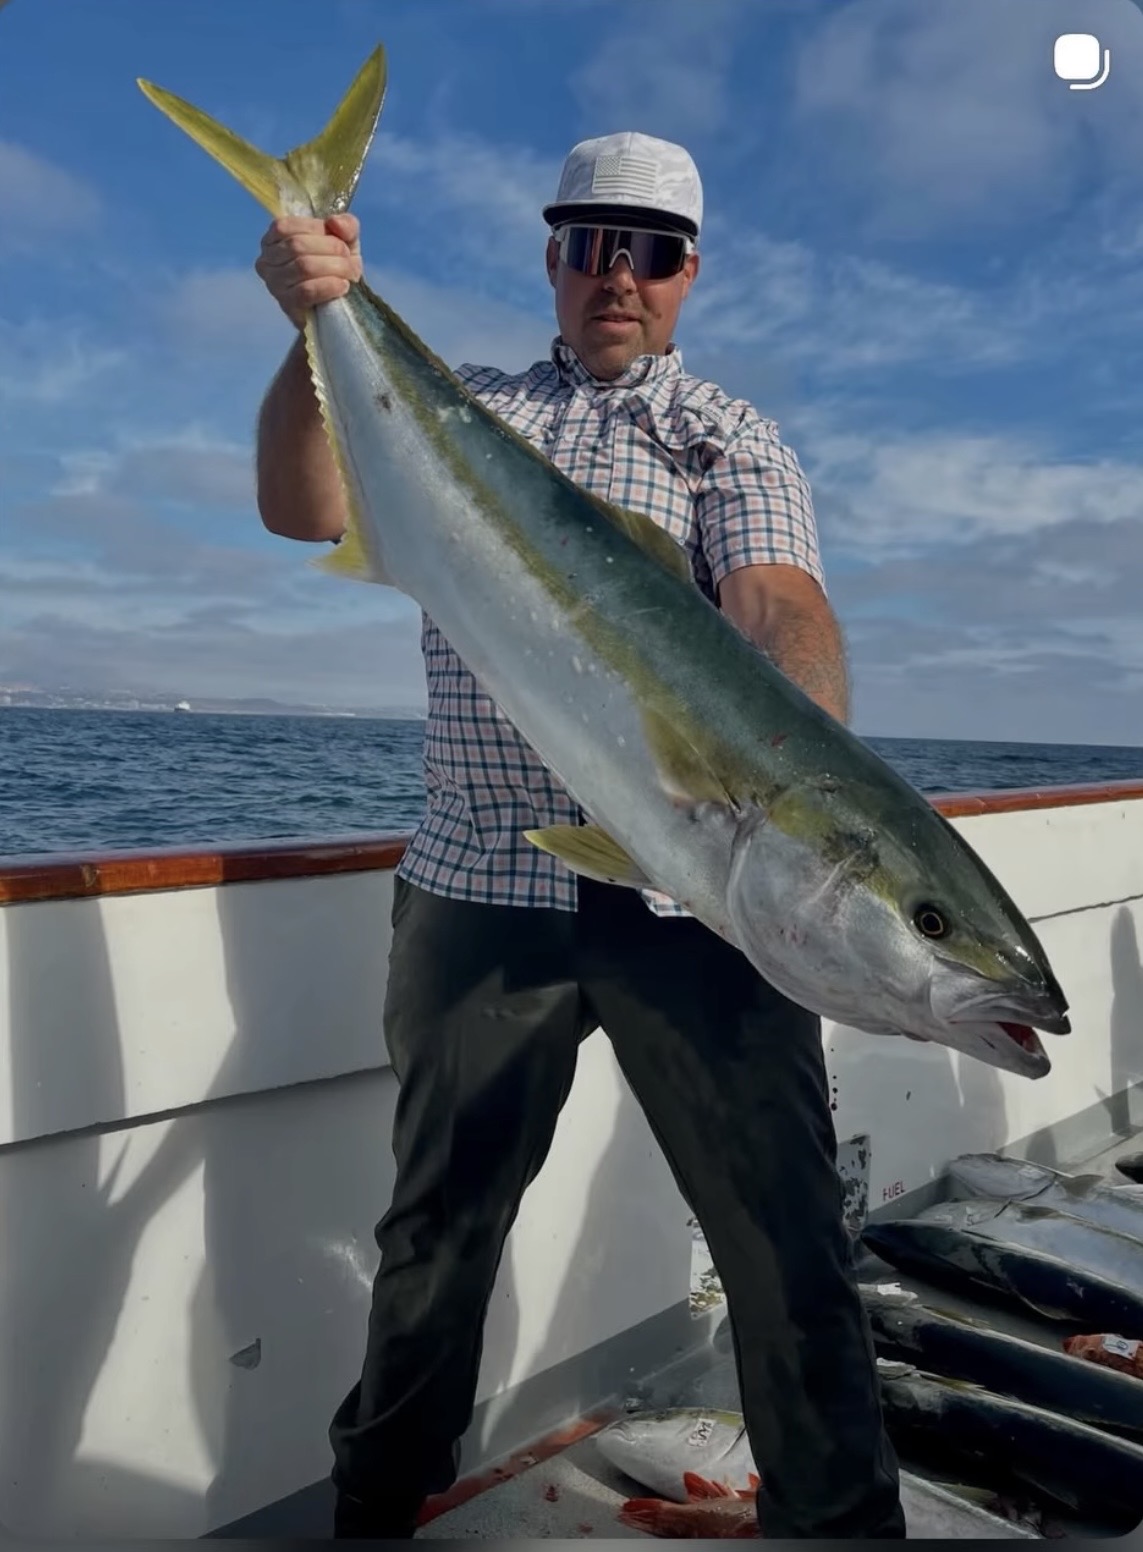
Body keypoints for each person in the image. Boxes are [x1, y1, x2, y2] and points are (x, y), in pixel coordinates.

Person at [252, 130, 906, 1540]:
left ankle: (841, 1528)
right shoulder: (467, 408)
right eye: (593, 246)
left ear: (689, 275)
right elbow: (303, 508)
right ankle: (377, 1507)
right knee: (438, 1233)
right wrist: (316, 322)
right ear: (554, 258)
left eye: (651, 252)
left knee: (787, 1238)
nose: (620, 275)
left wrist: (800, 779)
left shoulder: (727, 436)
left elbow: (780, 603)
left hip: (697, 898)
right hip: (481, 880)